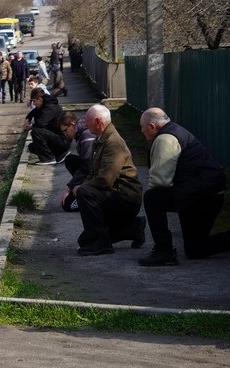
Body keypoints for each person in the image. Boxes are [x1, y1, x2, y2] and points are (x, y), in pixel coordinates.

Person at [137, 108, 230, 266]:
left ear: (152, 126)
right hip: (207, 194)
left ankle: (164, 251)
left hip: (201, 196)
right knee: (195, 249)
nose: (141, 130)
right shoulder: (176, 131)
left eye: (142, 127)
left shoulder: (165, 139)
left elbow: (159, 182)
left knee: (152, 198)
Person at [72, 104, 144, 256]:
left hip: (125, 197)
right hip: (114, 193)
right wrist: (80, 186)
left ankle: (101, 244)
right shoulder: (101, 139)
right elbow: (93, 172)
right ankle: (133, 228)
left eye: (88, 121)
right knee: (84, 241)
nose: (86, 124)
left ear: (98, 121)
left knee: (85, 192)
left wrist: (81, 188)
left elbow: (105, 180)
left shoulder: (113, 142)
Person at [57, 111, 96, 212]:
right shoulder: (82, 133)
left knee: (67, 205)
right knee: (70, 160)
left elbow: (87, 166)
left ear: (72, 125)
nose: (65, 134)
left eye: (65, 131)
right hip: (94, 171)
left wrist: (70, 187)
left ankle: (93, 200)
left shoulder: (87, 137)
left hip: (99, 176)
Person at [23, 87, 68, 164]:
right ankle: (56, 156)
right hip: (56, 138)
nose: (33, 104)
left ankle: (49, 158)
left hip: (62, 140)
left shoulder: (50, 107)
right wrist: (28, 118)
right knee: (33, 147)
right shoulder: (45, 103)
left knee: (36, 131)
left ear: (40, 99)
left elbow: (40, 123)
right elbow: (35, 111)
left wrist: (31, 127)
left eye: (34, 101)